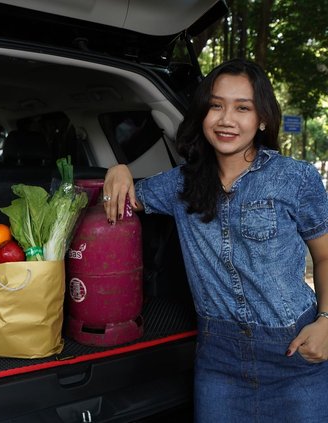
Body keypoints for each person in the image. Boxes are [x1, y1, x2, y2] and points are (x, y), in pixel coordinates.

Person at [103, 58, 328, 422]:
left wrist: (327, 321)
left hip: (294, 350)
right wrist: (118, 169)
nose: (227, 119)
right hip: (218, 359)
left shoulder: (295, 178)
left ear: (263, 119)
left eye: (243, 108)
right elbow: (124, 198)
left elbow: (325, 256)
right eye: (216, 106)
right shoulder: (179, 184)